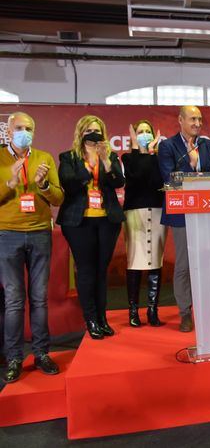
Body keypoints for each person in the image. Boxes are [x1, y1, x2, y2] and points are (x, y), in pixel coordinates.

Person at [0, 112, 64, 383]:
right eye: (19, 128)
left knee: (39, 299)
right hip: (8, 234)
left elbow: (59, 197)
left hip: (39, 233)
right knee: (14, 301)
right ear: (8, 131)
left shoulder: (44, 157)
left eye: (29, 128)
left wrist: (44, 185)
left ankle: (41, 354)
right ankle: (14, 357)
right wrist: (9, 184)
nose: (24, 132)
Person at [57, 115, 125, 340]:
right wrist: (91, 167)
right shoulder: (69, 157)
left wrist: (105, 160)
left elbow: (118, 182)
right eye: (88, 131)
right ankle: (91, 319)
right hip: (79, 221)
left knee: (100, 271)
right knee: (86, 271)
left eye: (97, 130)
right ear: (81, 133)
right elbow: (69, 183)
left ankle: (102, 318)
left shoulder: (111, 156)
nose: (93, 134)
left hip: (107, 219)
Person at [157, 106, 210, 332]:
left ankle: (206, 309)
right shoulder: (167, 146)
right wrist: (191, 164)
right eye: (192, 118)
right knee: (184, 264)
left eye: (199, 119)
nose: (197, 123)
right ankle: (185, 313)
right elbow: (168, 177)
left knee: (207, 262)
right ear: (180, 120)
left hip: (207, 211)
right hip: (182, 212)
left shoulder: (208, 145)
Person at [122, 120, 166, 327]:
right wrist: (138, 151)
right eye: (141, 131)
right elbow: (136, 178)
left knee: (156, 260)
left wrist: (151, 153)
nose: (145, 134)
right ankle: (133, 311)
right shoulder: (128, 158)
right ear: (134, 135)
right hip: (134, 213)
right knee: (135, 261)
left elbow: (157, 181)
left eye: (148, 131)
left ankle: (152, 310)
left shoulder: (158, 158)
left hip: (157, 210)